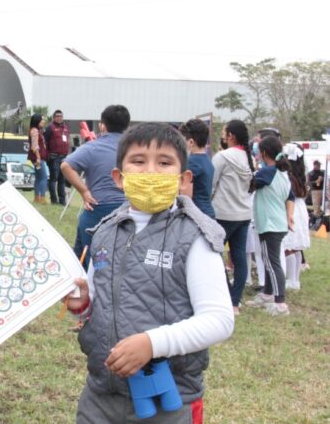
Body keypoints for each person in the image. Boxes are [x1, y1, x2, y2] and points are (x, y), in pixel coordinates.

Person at [66, 123, 234, 423]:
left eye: (165, 163)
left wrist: (152, 344)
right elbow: (97, 303)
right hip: (100, 395)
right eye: (139, 161)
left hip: (167, 399)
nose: (151, 172)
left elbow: (219, 320)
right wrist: (83, 304)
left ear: (184, 179)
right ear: (119, 177)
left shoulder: (195, 236)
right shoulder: (104, 231)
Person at [61, 104, 130, 268]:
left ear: (102, 125)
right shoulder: (134, 149)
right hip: (129, 210)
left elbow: (66, 166)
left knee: (90, 260)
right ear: (127, 126)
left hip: (98, 209)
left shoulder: (92, 147)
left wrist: (84, 191)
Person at [245, 136, 295, 316]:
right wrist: (289, 216)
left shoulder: (267, 173)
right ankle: (267, 294)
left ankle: (280, 303)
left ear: (264, 153)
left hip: (270, 224)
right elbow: (290, 197)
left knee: (272, 263)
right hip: (278, 223)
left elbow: (249, 186)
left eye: (258, 151)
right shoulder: (283, 174)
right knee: (268, 260)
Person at [211, 119, 254, 315]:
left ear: (231, 136)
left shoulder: (223, 157)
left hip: (223, 213)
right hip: (244, 214)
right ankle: (235, 302)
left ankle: (226, 294)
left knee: (214, 255)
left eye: (224, 132)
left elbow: (211, 185)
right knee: (239, 258)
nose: (222, 134)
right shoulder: (248, 157)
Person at [281, 143, 309, 290]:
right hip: (300, 208)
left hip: (290, 208)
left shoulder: (288, 176)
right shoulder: (301, 173)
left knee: (288, 247)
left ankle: (291, 280)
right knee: (295, 247)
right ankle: (295, 280)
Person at [179, 118, 215, 218]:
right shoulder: (207, 160)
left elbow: (185, 196)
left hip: (197, 215)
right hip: (207, 212)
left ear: (191, 142)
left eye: (182, 140)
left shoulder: (192, 162)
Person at [44, 109, 71, 205]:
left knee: (62, 180)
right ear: (54, 117)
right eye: (57, 116)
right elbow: (44, 142)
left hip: (64, 157)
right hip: (54, 157)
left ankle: (62, 201)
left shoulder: (66, 127)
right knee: (53, 179)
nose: (59, 118)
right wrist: (47, 156)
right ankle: (54, 200)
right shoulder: (50, 127)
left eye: (61, 116)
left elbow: (67, 140)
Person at [28, 113, 49, 204]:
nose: (43, 122)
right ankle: (42, 198)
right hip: (38, 158)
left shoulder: (37, 130)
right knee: (44, 177)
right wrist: (38, 158)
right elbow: (35, 146)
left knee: (38, 178)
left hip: (37, 157)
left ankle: (37, 198)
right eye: (42, 120)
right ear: (37, 121)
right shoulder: (35, 131)